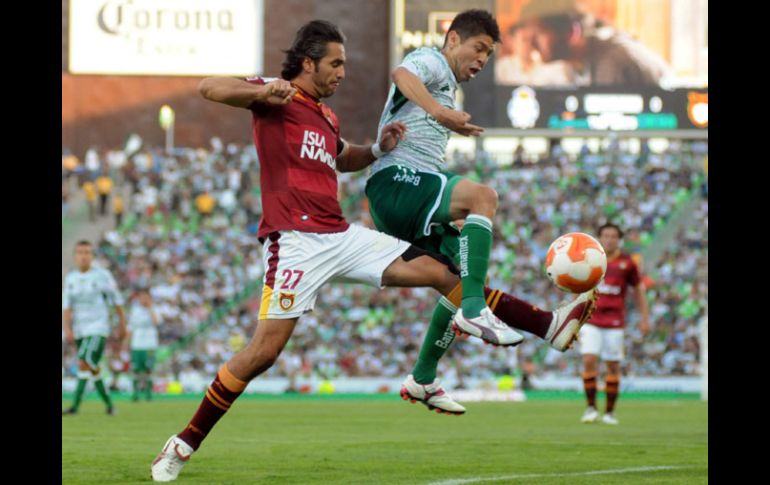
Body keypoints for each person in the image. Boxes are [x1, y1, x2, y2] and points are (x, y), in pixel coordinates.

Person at [150, 19, 482, 481]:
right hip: (295, 243)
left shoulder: (326, 117)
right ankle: (183, 442)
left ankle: (431, 368)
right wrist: (263, 94)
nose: (342, 72)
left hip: (341, 235)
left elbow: (342, 156)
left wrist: (377, 149)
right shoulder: (276, 93)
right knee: (263, 354)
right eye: (335, 63)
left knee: (441, 272)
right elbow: (210, 87)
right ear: (308, 63)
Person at [366, 9, 596, 414]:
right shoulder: (432, 61)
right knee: (483, 198)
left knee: (460, 278)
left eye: (489, 55)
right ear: (452, 39)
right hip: (396, 181)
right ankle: (474, 313)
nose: (482, 61)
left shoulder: (446, 87)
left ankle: (426, 377)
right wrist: (440, 114)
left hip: (408, 190)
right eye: (479, 49)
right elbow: (401, 74)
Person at [580, 223, 650, 425]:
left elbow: (638, 291)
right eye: (605, 235)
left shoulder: (627, 263)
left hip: (615, 322)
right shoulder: (591, 260)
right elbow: (579, 285)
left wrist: (644, 318)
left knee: (612, 365)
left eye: (612, 236)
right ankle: (591, 408)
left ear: (619, 240)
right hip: (592, 319)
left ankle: (609, 412)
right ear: (599, 238)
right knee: (589, 360)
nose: (608, 240)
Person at [521, 0, 671, 86]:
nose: (531, 44)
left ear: (570, 32)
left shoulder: (611, 64)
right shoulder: (575, 65)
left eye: (539, 33)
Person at [62, 240, 127, 415]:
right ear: (75, 256)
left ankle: (74, 406)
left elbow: (117, 300)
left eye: (87, 252)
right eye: (80, 252)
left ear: (92, 256)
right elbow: (66, 306)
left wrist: (122, 325)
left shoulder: (102, 275)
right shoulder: (71, 279)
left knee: (84, 361)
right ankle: (110, 405)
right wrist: (67, 328)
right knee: (89, 367)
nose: (84, 256)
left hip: (99, 327)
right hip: (79, 330)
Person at [127, 288, 160, 402]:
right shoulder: (135, 310)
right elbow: (130, 327)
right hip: (137, 344)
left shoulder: (155, 309)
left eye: (146, 297)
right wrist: (127, 342)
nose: (143, 299)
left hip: (150, 344)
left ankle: (148, 394)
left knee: (148, 369)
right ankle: (135, 394)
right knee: (136, 369)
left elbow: (156, 322)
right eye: (141, 297)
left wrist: (150, 307)